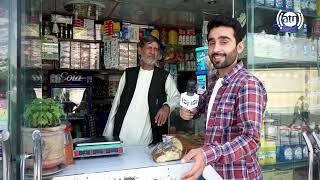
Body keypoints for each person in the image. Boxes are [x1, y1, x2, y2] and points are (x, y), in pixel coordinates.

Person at [180, 15, 267, 180]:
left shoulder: (247, 85)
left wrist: (207, 154)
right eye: (212, 42)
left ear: (240, 46)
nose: (216, 49)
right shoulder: (214, 81)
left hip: (237, 176)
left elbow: (250, 139)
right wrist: (189, 111)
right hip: (212, 173)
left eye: (224, 41)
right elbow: (202, 107)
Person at [103, 35, 180, 146]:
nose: (152, 52)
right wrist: (108, 136)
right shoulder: (128, 74)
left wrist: (167, 106)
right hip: (121, 137)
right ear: (140, 50)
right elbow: (116, 104)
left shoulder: (163, 76)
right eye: (149, 48)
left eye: (156, 49)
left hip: (146, 143)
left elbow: (177, 97)